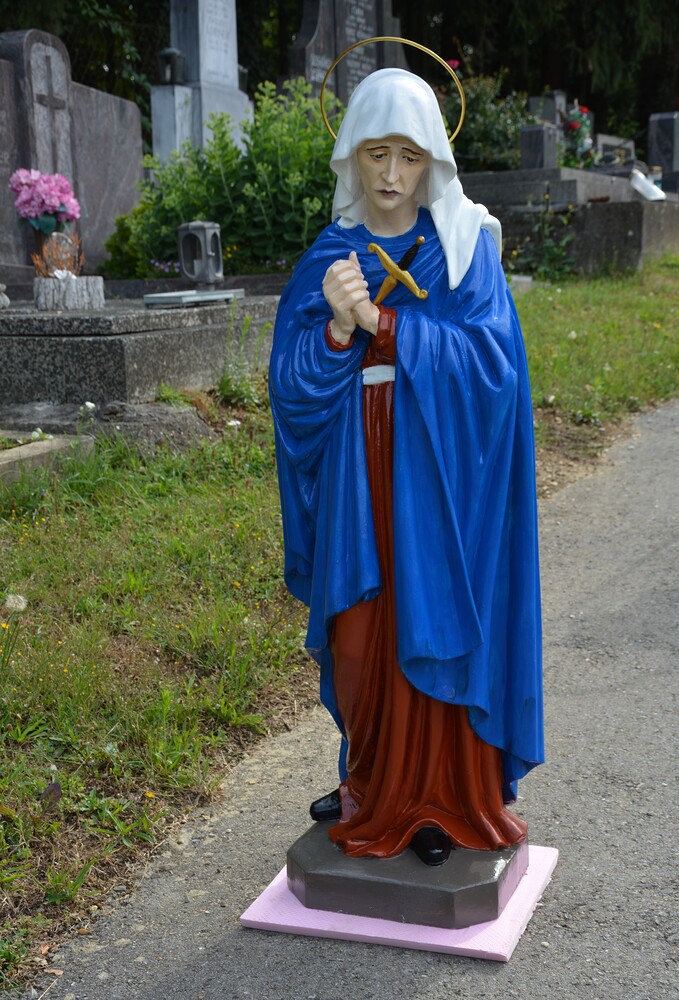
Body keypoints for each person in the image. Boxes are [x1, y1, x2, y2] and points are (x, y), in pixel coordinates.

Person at [269, 68, 543, 867]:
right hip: (358, 475)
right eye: (376, 154)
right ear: (352, 155)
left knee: (435, 621)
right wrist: (334, 331)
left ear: (433, 162)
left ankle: (440, 801)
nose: (391, 175)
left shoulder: (464, 247)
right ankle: (368, 778)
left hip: (440, 479)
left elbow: (494, 370)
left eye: (410, 157)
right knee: (360, 640)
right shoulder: (331, 256)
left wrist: (380, 323)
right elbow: (293, 391)